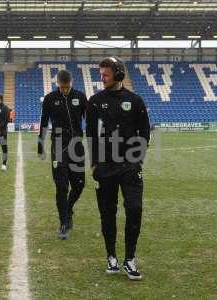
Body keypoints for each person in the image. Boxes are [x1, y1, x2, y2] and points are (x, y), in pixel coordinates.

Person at [86, 56, 150, 280]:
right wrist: (94, 162)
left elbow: (145, 132)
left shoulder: (136, 100)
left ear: (119, 74)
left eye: (105, 74)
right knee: (107, 212)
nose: (101, 78)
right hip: (105, 166)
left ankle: (130, 258)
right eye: (101, 74)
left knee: (135, 208)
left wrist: (138, 158)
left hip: (130, 166)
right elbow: (91, 135)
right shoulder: (94, 101)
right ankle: (111, 256)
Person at [38, 70, 87, 240]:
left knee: (80, 185)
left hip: (76, 146)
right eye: (62, 87)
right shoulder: (50, 98)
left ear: (71, 82)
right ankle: (64, 223)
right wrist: (40, 143)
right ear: (57, 83)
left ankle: (69, 208)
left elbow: (89, 118)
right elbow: (44, 121)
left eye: (67, 87)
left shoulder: (80, 97)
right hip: (58, 147)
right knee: (61, 187)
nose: (65, 90)